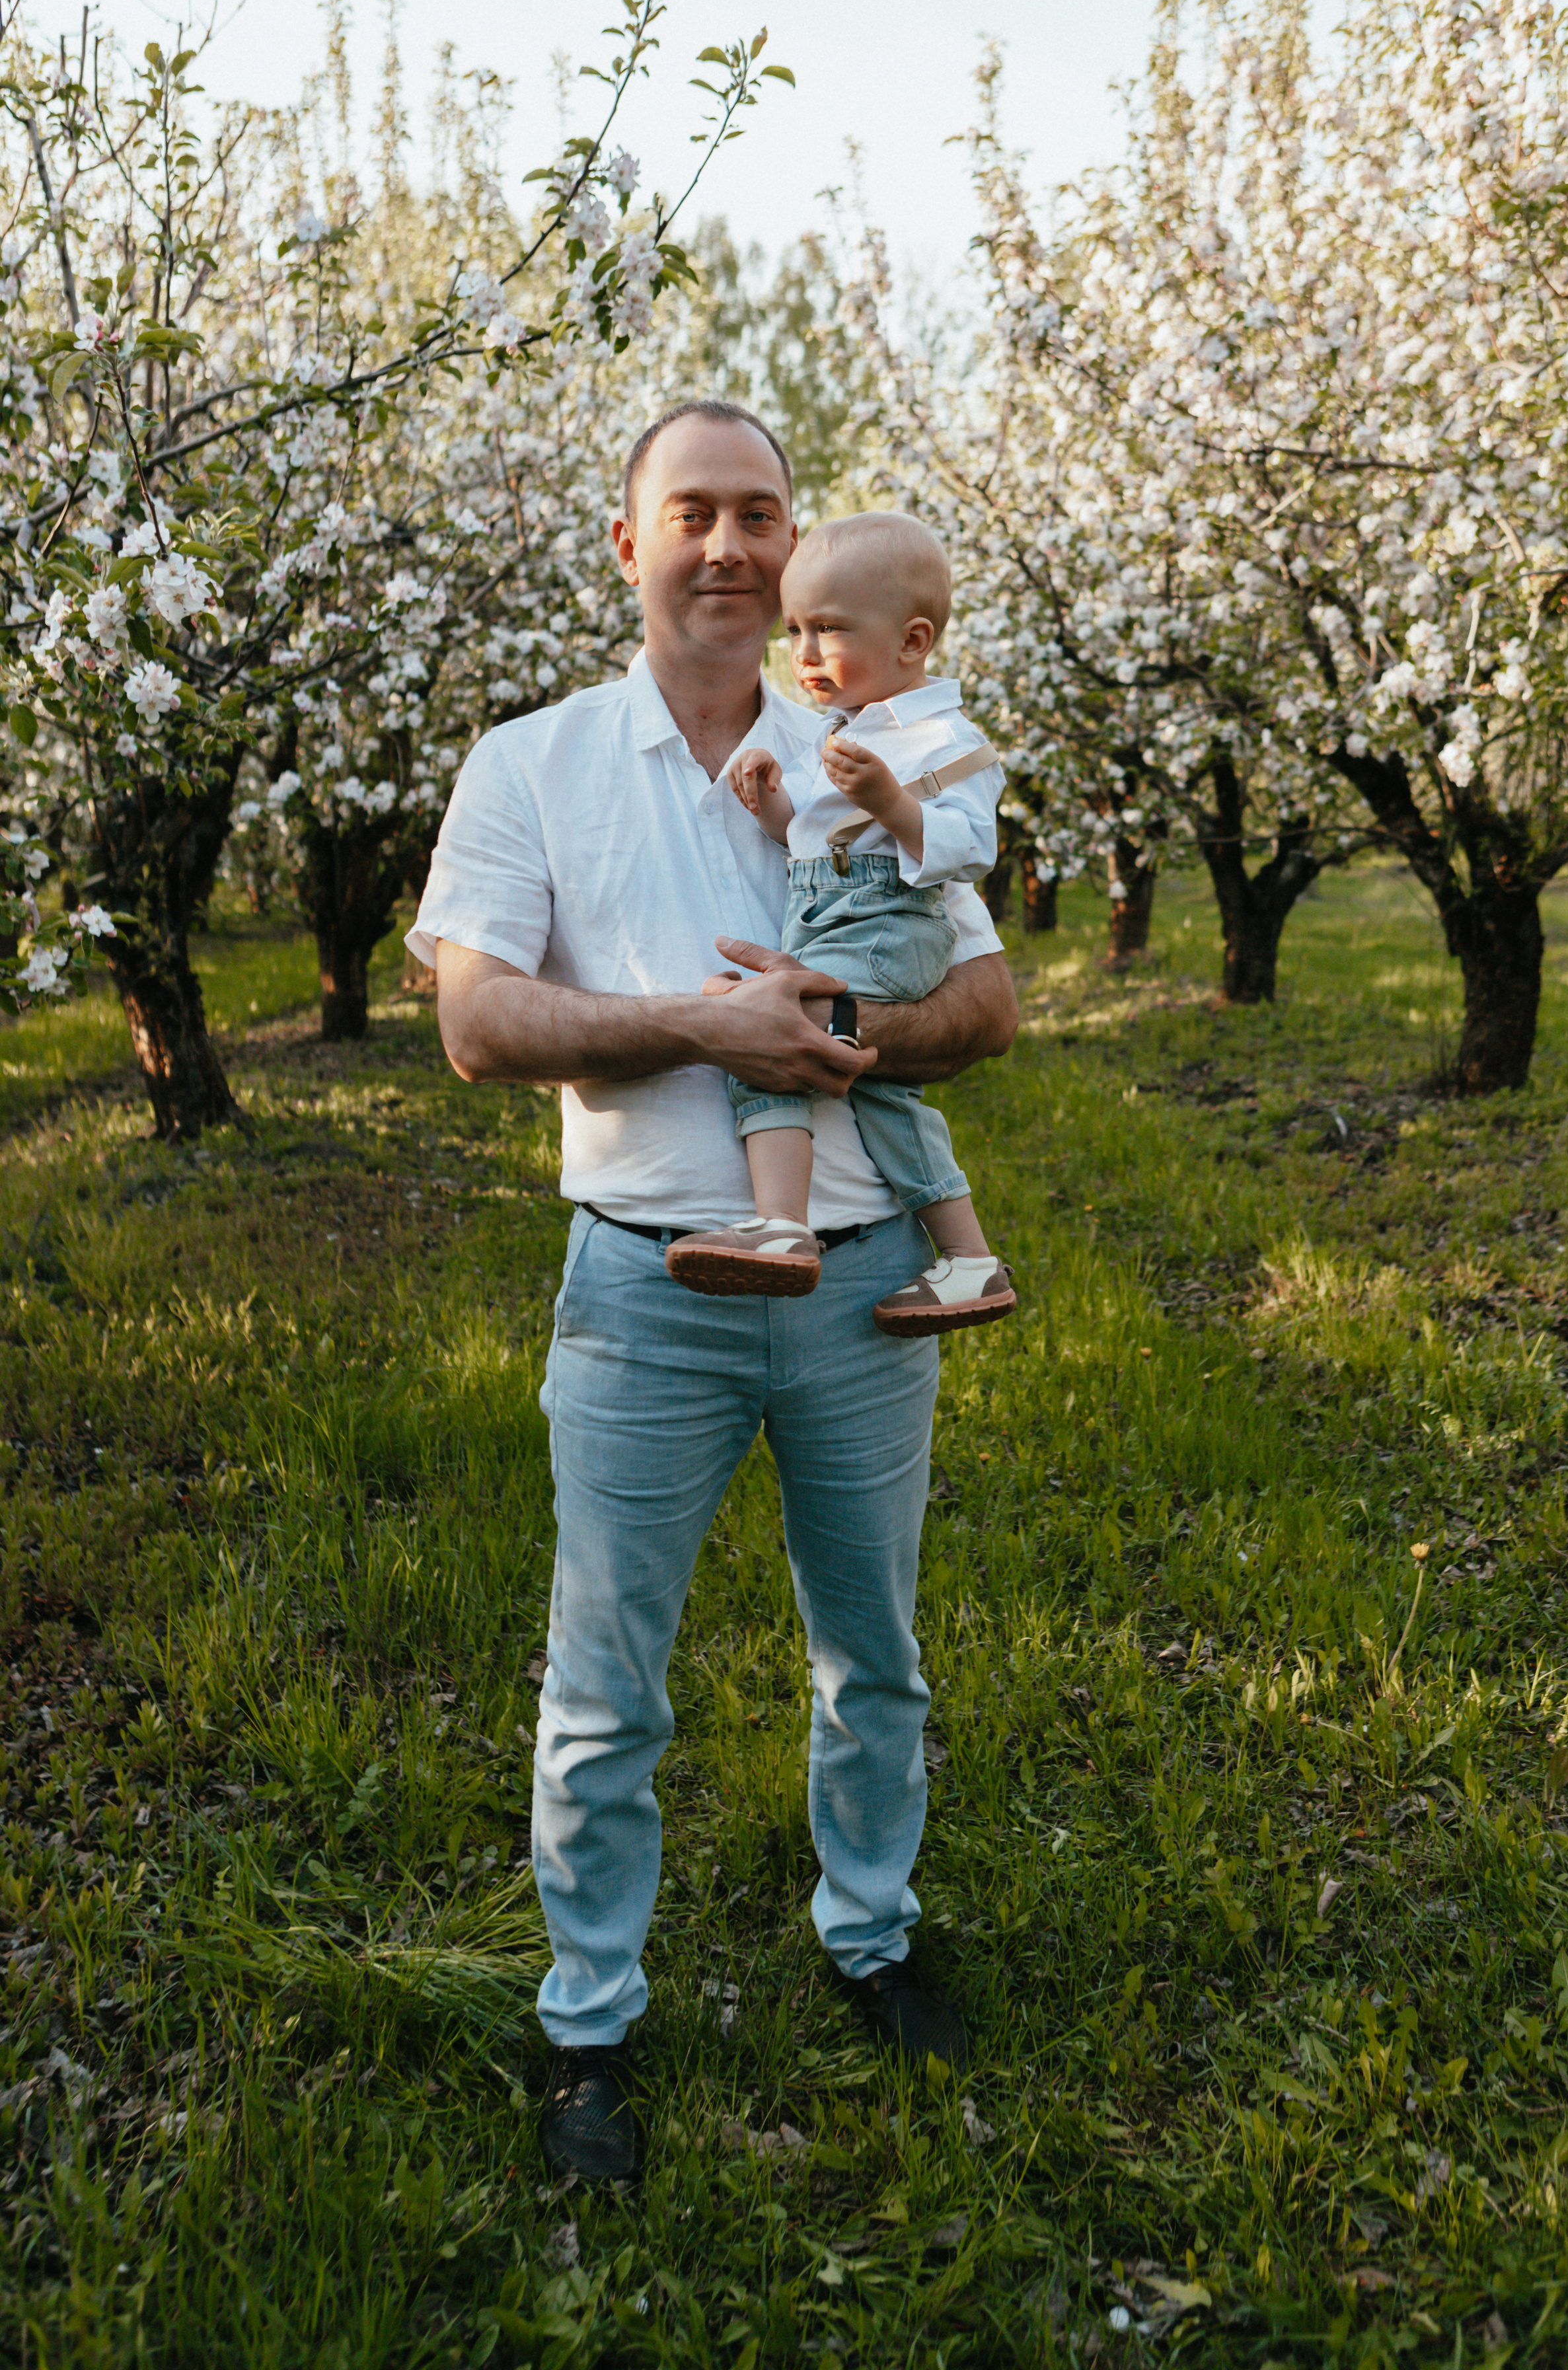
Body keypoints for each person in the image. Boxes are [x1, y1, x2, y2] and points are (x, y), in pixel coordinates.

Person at [407, 398, 1018, 2182]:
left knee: (873, 1656)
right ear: (631, 543)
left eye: (765, 514)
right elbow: (476, 1021)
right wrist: (704, 1021)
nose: (735, 549)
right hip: (643, 1292)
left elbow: (982, 1011)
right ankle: (587, 2018)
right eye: (697, 512)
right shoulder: (531, 764)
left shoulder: (878, 740)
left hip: (859, 1293)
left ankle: (874, 1933)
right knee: (605, 1685)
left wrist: (850, 1038)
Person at [664, 509, 1018, 1337]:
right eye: (795, 632)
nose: (807, 655)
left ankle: (780, 1226)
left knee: (763, 1033)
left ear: (912, 640)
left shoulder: (942, 739)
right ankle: (969, 1261)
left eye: (829, 630)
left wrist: (891, 802)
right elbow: (820, 846)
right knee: (885, 1097)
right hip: (843, 922)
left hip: (889, 930)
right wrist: (774, 804)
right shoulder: (846, 732)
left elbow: (972, 847)